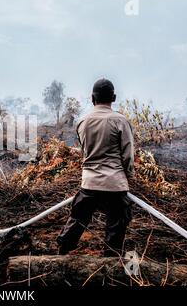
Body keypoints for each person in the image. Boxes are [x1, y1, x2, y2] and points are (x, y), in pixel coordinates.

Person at [56, 78, 135, 257]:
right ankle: (111, 260)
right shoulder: (121, 121)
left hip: (89, 182)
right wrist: (127, 177)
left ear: (92, 98)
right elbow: (128, 155)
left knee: (78, 218)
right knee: (117, 222)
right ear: (113, 98)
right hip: (115, 183)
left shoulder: (83, 121)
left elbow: (85, 152)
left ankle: (61, 252)